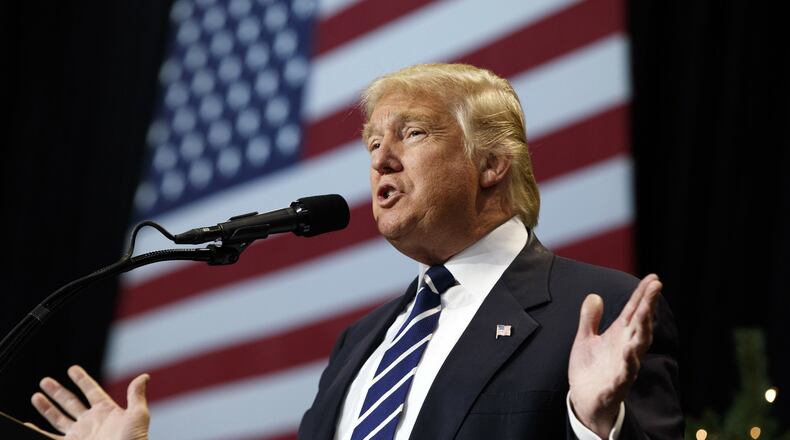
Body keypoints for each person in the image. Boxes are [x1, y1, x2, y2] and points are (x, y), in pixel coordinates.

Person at [27, 63, 683, 439]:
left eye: (412, 133)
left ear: (491, 165)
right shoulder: (363, 342)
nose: (382, 160)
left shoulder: (597, 309)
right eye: (372, 145)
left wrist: (599, 425)